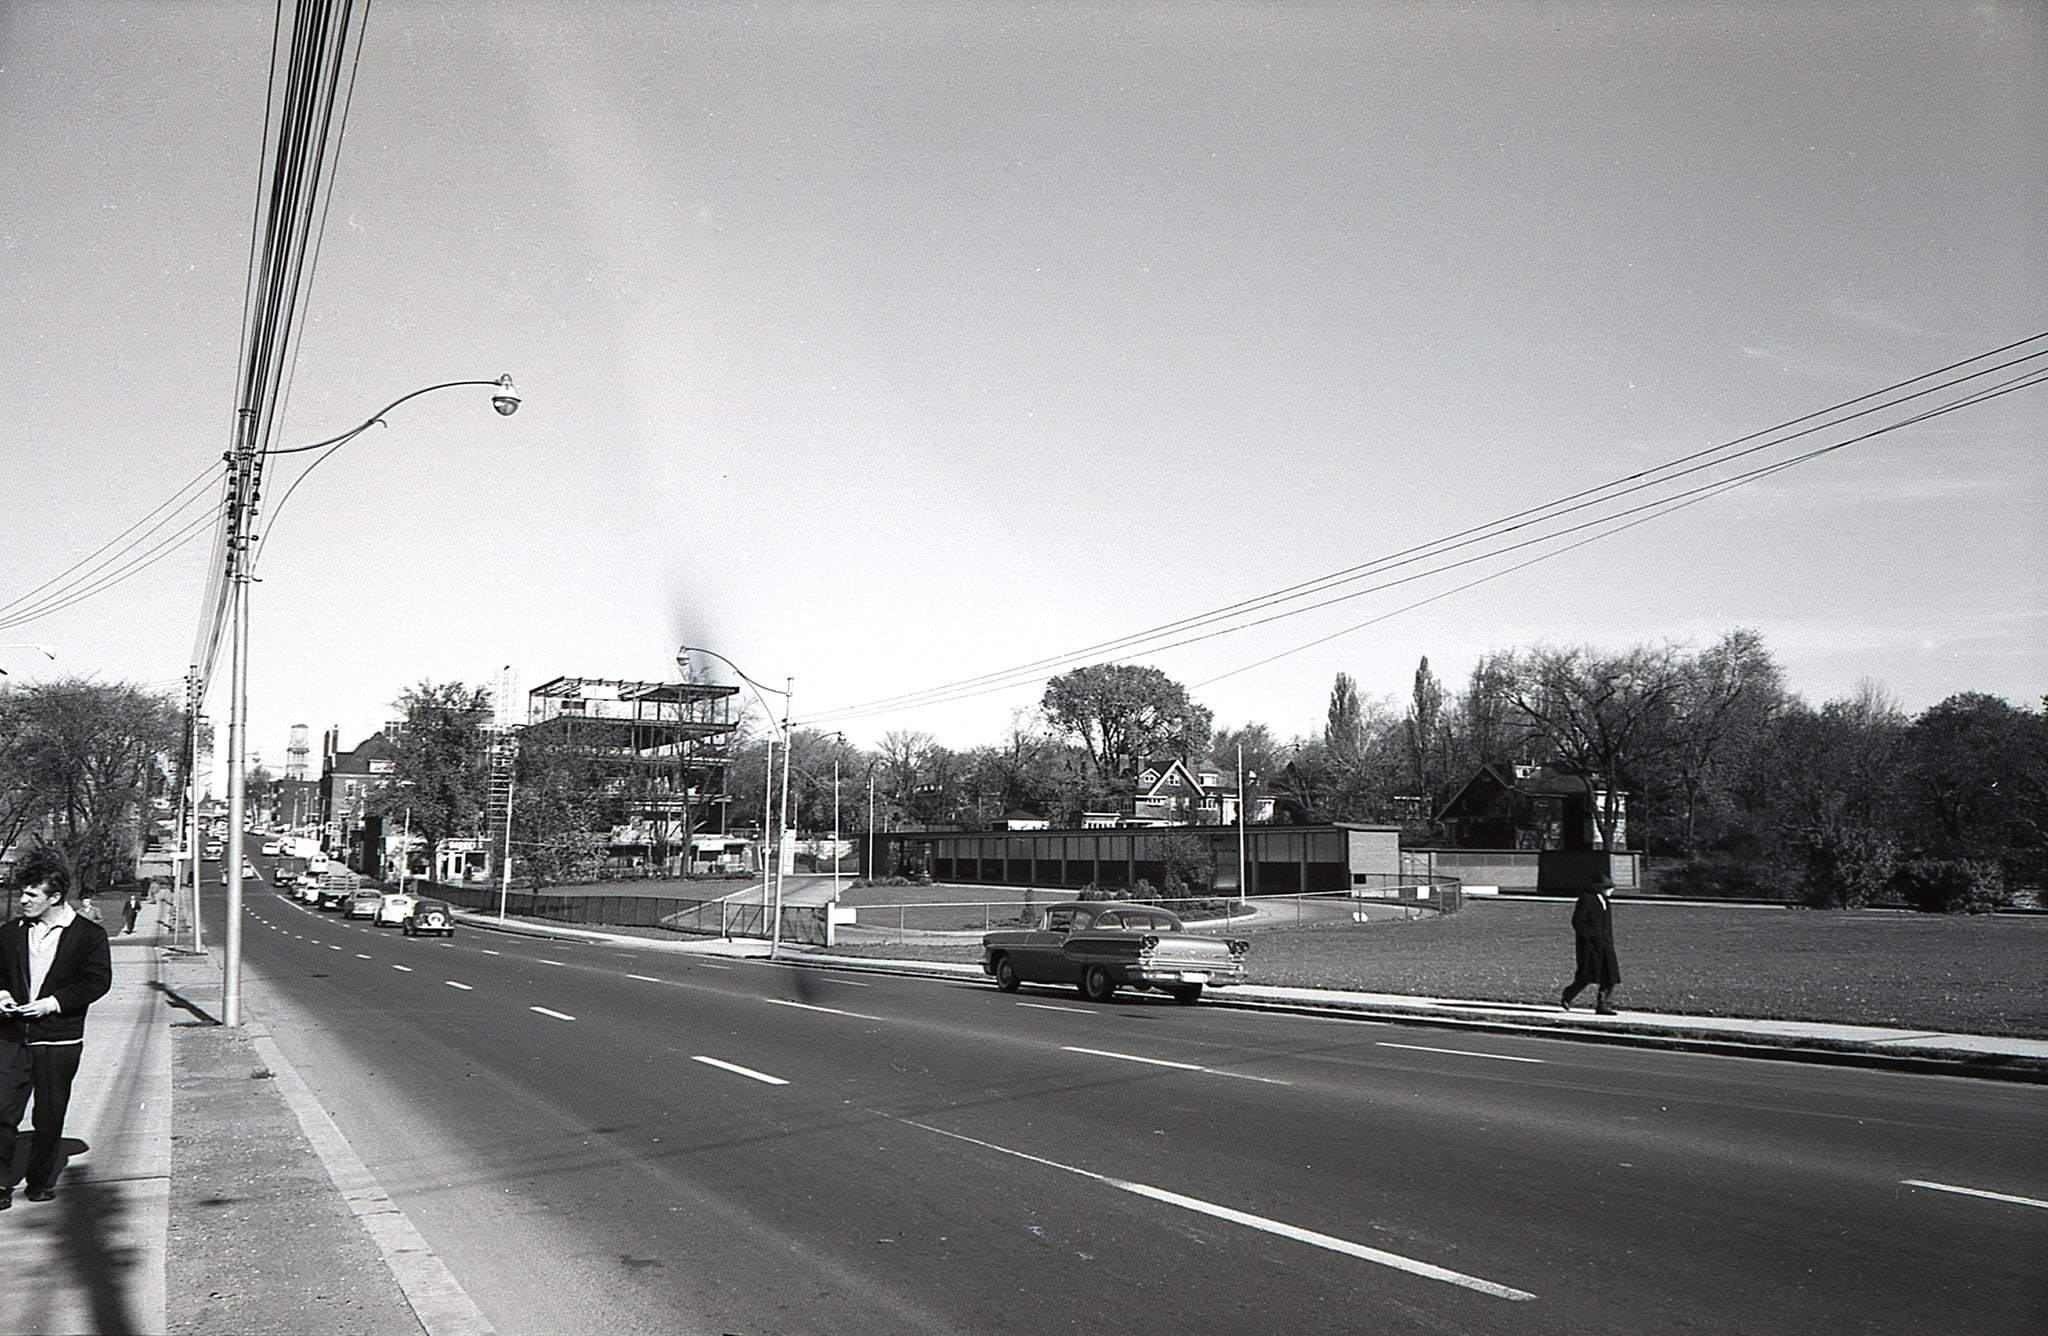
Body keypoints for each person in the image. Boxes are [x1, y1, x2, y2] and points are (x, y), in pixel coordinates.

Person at [0, 849, 114, 1209]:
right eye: (23, 894)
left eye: (32, 895)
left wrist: (51, 1003)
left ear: (55, 897)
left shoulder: (88, 935)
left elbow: (97, 982)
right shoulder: (9, 933)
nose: (23, 900)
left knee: (49, 1114)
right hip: (11, 1036)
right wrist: (2, 994)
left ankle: (39, 1180)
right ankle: (1, 1183)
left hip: (59, 1039)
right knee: (2, 1111)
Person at [1560, 875, 1621, 1015]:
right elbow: (1578, 922)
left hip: (1605, 944)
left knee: (1610, 975)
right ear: (1600, 888)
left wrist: (1608, 941)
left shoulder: (1606, 902)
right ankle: (1568, 995)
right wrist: (1590, 937)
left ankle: (1603, 1005)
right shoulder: (1586, 900)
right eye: (1608, 888)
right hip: (1590, 945)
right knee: (1587, 975)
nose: (1611, 891)